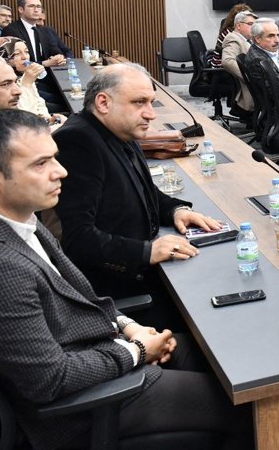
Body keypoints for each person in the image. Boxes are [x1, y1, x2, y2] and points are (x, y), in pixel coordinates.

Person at [0, 109, 250, 450]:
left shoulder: (18, 218)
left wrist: (130, 328)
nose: (61, 171)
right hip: (84, 409)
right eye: (41, 164)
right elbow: (49, 379)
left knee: (231, 362)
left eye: (54, 158)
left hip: (102, 352)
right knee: (247, 404)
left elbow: (83, 297)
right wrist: (137, 350)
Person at [51, 64, 223, 328]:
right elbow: (77, 238)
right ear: (103, 103)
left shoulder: (118, 129)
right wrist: (146, 251)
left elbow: (142, 189)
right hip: (118, 291)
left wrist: (175, 210)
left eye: (151, 102)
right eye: (139, 102)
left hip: (144, 273)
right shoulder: (77, 142)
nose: (150, 114)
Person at [0, 0, 72, 106]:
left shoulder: (42, 30)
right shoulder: (11, 30)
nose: (36, 9)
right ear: (21, 9)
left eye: (38, 6)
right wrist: (45, 63)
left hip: (45, 77)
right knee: (63, 102)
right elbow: (14, 62)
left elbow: (54, 50)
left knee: (69, 95)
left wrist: (59, 57)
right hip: (23, 80)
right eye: (32, 6)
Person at [0, 37, 63, 125]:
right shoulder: (2, 85)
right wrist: (26, 84)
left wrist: (48, 119)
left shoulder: (24, 75)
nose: (25, 57)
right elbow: (24, 119)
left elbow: (38, 102)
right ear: (3, 58)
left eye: (26, 52)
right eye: (17, 54)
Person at [246, 19, 279, 99]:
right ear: (257, 39)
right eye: (271, 36)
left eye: (277, 35)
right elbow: (273, 91)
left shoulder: (267, 51)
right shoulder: (258, 60)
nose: (277, 40)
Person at [219, 10, 258, 114]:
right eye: (250, 24)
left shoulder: (247, 39)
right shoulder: (233, 38)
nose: (254, 28)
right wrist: (249, 77)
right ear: (239, 26)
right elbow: (227, 61)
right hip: (250, 86)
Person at [211, 2, 252, 68]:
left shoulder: (241, 32)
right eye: (249, 23)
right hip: (221, 69)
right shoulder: (229, 35)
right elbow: (230, 62)